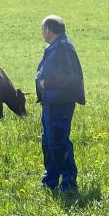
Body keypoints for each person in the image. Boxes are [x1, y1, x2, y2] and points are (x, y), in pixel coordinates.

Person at [36, 15, 85, 192]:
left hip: (61, 103)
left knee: (58, 142)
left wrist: (46, 83)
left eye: (42, 29)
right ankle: (51, 180)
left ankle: (69, 182)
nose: (42, 32)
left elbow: (72, 76)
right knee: (48, 142)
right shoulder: (56, 46)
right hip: (51, 102)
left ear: (48, 29)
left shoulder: (64, 47)